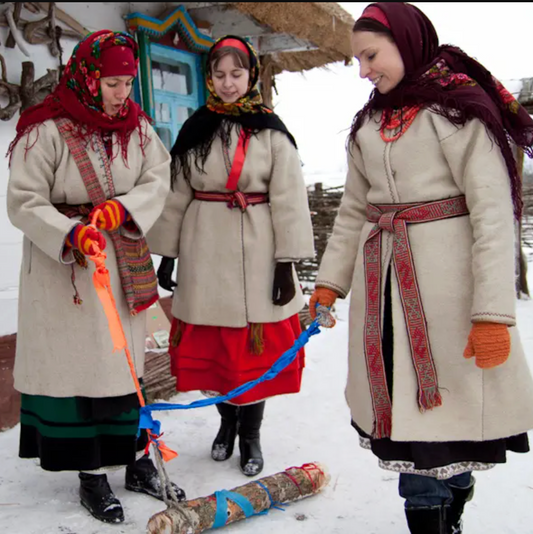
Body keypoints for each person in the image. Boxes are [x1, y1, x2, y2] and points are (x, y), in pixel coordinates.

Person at [309, 3, 533, 533]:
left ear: (407, 44)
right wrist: (329, 284)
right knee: (410, 428)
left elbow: (493, 215)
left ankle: (453, 499)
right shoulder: (369, 123)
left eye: (370, 56)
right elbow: (352, 212)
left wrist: (492, 314)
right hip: (383, 292)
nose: (363, 71)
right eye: (357, 61)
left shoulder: (460, 112)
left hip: (449, 297)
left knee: (449, 425)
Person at [6, 30, 185, 525]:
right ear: (87, 77)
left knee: (125, 367)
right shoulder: (44, 130)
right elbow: (23, 200)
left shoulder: (137, 127)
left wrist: (125, 208)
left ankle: (137, 461)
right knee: (82, 371)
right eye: (111, 83)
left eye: (128, 83)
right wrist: (69, 232)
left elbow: (158, 176)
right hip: (65, 271)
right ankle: (92, 475)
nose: (121, 93)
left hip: (120, 259)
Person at [147, 35, 314, 477]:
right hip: (204, 248)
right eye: (219, 74)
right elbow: (177, 193)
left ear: (251, 75)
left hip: (259, 247)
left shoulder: (272, 131)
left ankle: (251, 433)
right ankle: (226, 424)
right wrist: (168, 253)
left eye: (236, 74)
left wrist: (286, 263)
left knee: (252, 354)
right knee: (221, 354)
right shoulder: (195, 129)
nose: (227, 83)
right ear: (208, 78)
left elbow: (290, 198)